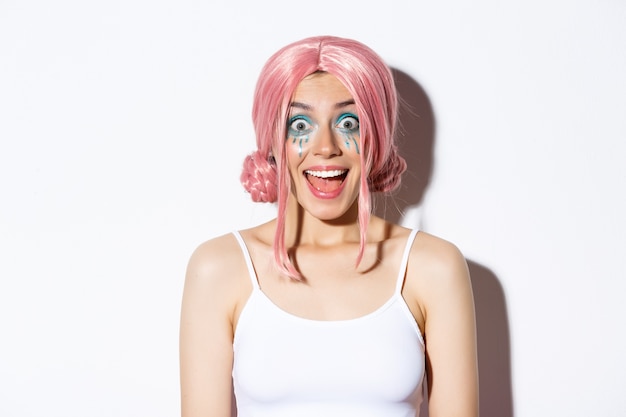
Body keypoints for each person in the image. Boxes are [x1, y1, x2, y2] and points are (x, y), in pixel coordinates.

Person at [179, 35, 478, 417]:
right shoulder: (220, 268)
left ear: (377, 139)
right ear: (272, 142)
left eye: (348, 121)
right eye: (300, 123)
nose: (326, 147)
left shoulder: (433, 267)